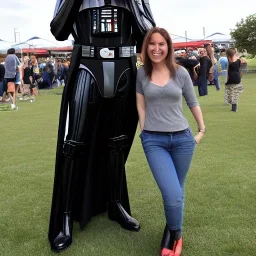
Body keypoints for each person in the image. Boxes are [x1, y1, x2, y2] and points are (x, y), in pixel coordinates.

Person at [136, 27, 206, 256]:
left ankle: (170, 234)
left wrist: (201, 129)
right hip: (154, 141)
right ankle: (177, 234)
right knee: (173, 194)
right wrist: (144, 130)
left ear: (168, 47)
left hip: (183, 140)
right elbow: (140, 104)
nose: (157, 48)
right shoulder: (142, 74)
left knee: (177, 190)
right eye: (152, 44)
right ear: (147, 47)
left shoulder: (181, 73)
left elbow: (192, 102)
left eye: (161, 44)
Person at [225, 48, 243, 112]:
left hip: (231, 77)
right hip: (237, 77)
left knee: (229, 90)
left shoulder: (229, 61)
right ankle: (234, 106)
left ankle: (229, 101)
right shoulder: (238, 60)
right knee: (235, 92)